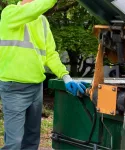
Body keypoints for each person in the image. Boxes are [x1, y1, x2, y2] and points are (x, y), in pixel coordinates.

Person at [0, 0, 87, 149]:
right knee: (14, 143)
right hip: (14, 88)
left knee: (32, 139)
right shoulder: (10, 12)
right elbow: (33, 9)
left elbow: (50, 54)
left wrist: (66, 77)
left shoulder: (43, 21)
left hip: (36, 87)